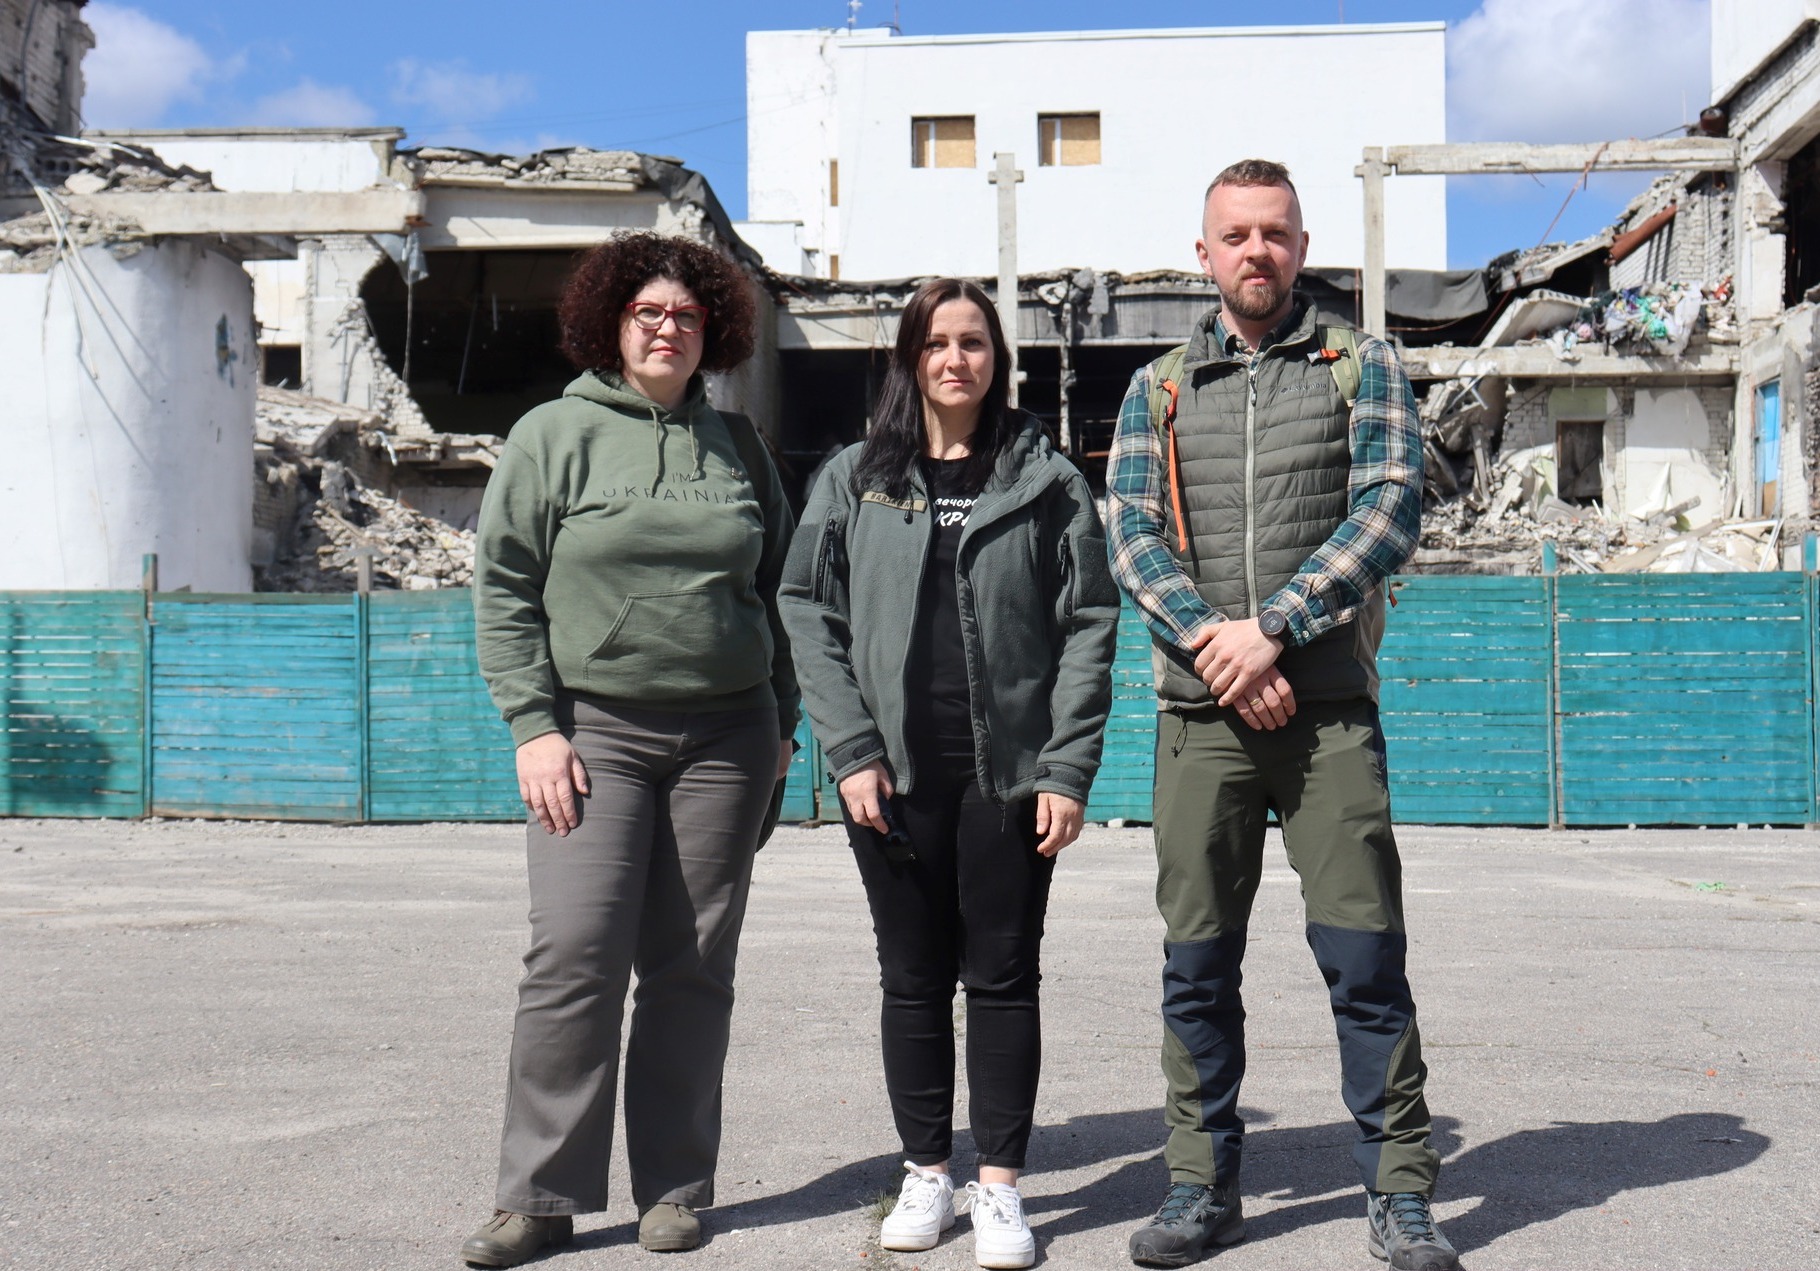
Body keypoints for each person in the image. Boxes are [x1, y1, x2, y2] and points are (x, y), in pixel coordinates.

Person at [1105, 160, 1459, 1271]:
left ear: (1300, 247)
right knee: (1196, 963)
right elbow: (1130, 532)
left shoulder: (1361, 364)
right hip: (1201, 717)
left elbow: (1390, 507)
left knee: (1363, 958)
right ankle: (1198, 1184)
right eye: (1233, 234)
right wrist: (1223, 645)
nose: (1253, 251)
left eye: (1273, 233)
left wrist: (1279, 626)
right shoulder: (1158, 387)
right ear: (1201, 253)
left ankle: (1399, 1192)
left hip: (1326, 716)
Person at [463, 230, 798, 1267]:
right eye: (648, 312)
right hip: (592, 730)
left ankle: (675, 1186)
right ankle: (540, 1194)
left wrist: (782, 725)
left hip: (728, 734)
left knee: (692, 964)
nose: (667, 328)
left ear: (714, 333)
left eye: (687, 316)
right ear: (612, 323)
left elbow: (780, 595)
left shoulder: (738, 447)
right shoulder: (551, 435)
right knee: (572, 955)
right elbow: (505, 587)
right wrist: (535, 726)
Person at [779, 278, 1117, 1271]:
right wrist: (847, 747)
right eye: (934, 342)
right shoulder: (851, 476)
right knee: (913, 976)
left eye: (972, 341)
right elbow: (805, 605)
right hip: (888, 770)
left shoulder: (1044, 477)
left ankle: (1000, 1186)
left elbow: (1089, 620)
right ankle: (926, 1170)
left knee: (1003, 975)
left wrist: (1065, 764)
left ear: (995, 358)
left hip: (1006, 773)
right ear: (908, 357)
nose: (953, 359)